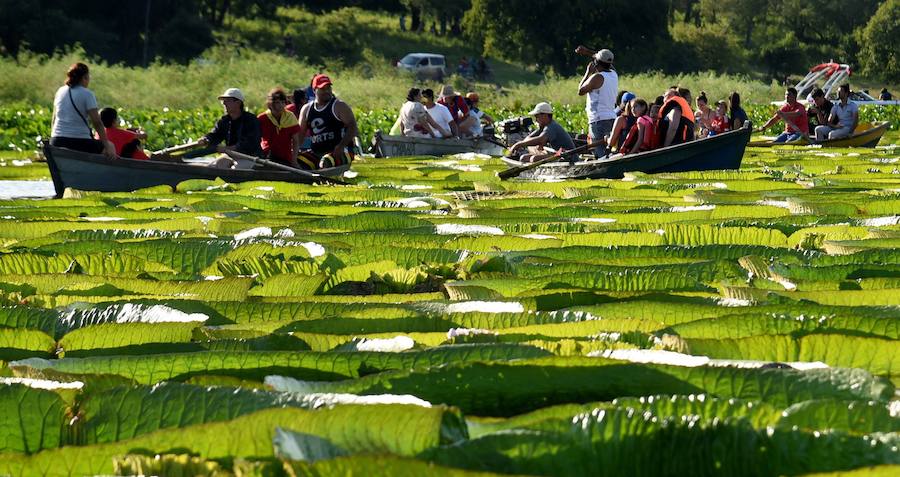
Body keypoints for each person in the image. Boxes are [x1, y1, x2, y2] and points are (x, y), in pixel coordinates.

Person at [50, 63, 116, 158]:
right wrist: (106, 144)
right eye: (88, 77)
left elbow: (54, 119)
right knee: (110, 146)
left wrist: (53, 138)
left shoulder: (60, 91)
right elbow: (97, 122)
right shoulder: (87, 94)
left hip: (57, 140)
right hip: (79, 141)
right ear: (84, 77)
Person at [297, 74, 359, 168]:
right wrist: (295, 151)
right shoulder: (306, 109)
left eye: (328, 88)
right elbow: (300, 134)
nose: (326, 91)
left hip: (339, 151)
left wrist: (341, 146)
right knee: (297, 162)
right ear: (314, 90)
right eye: (322, 89)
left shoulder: (339, 106)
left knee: (326, 162)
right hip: (316, 153)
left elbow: (353, 127)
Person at [197, 88, 261, 168]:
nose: (224, 103)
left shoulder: (251, 120)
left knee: (236, 169)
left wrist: (229, 149)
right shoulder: (224, 120)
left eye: (227, 101)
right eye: (223, 101)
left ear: (238, 103)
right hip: (230, 155)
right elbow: (216, 134)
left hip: (250, 156)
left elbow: (250, 143)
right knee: (214, 166)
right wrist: (206, 139)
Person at [578, 48, 618, 157]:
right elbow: (606, 62)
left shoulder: (596, 77)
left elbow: (580, 91)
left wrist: (588, 72)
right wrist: (589, 53)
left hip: (598, 120)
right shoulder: (614, 74)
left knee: (600, 151)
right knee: (609, 149)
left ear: (596, 63)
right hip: (611, 118)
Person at [508, 102, 576, 163]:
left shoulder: (552, 126)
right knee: (523, 158)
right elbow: (528, 138)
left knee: (534, 159)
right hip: (558, 154)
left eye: (537, 116)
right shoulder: (544, 127)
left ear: (545, 115)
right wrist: (520, 144)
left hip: (568, 157)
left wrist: (518, 145)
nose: (536, 120)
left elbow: (541, 139)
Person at [258, 88, 302, 168]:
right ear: (271, 104)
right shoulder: (262, 118)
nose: (281, 105)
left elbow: (296, 141)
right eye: (278, 102)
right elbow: (255, 139)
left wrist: (294, 160)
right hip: (266, 156)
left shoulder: (290, 117)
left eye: (283, 102)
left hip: (285, 157)